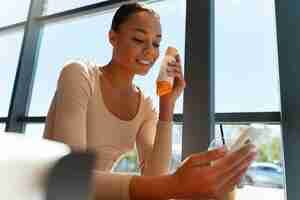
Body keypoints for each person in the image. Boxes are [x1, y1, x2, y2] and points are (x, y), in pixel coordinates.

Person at [43, 2, 257, 200]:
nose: (150, 51)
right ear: (112, 37)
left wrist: (167, 105)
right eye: (138, 39)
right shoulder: (79, 74)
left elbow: (155, 177)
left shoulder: (145, 105)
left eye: (156, 43)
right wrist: (175, 184)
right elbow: (70, 178)